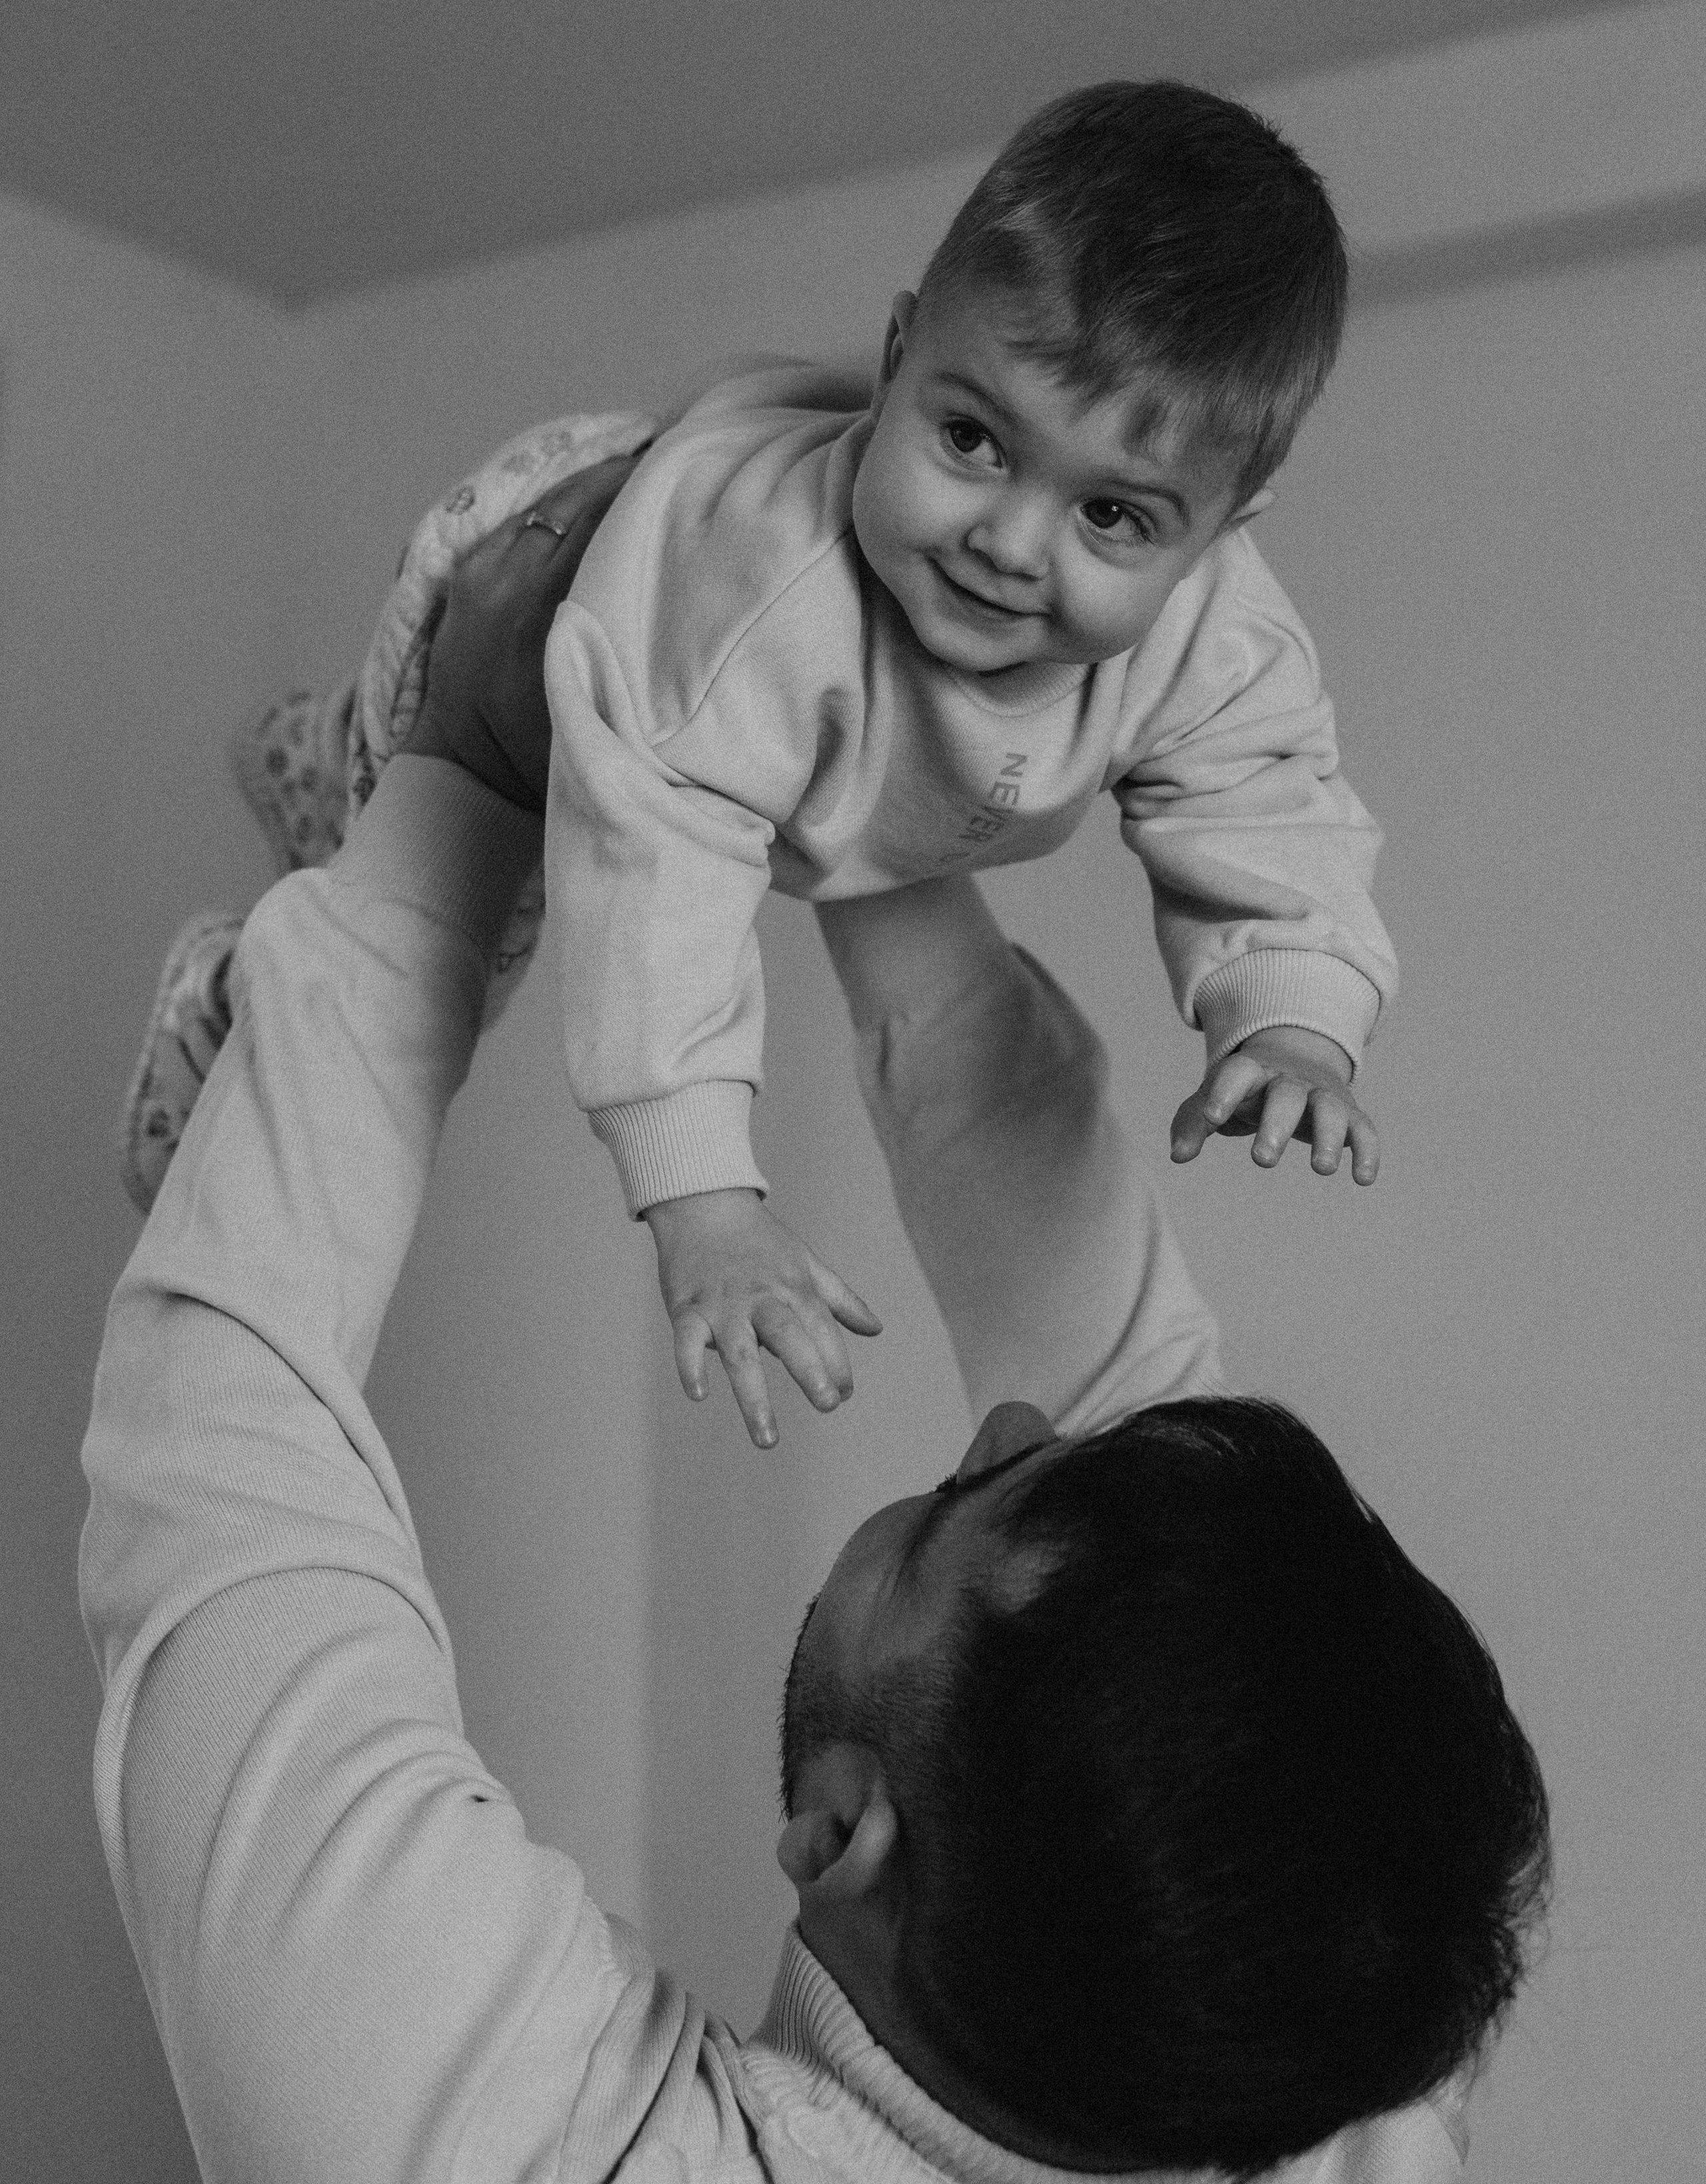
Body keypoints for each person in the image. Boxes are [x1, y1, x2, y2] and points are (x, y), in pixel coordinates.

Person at [84, 493, 1549, 2182]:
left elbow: (222, 1435)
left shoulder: (509, 2143)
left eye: (947, 1519)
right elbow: (1117, 1374)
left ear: (842, 1828)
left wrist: (461, 785)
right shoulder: (1319, 2039)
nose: (1002, 1427)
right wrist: (856, 766)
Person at [123, 80, 1399, 1451]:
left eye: (1112, 516)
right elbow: (661, 886)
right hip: (543, 631)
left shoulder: (1219, 638)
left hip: (825, 766)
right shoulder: (757, 590)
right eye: (971, 440)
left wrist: (1291, 1016)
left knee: (975, 1034)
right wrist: (706, 1203)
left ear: (1219, 534)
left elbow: (1268, 800)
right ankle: (250, 944)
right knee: (434, 959)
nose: (1009, 543)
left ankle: (319, 766)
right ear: (898, 357)